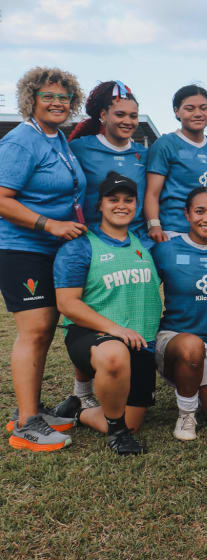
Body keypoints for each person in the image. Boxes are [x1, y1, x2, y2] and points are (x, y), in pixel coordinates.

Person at [0, 67, 87, 451]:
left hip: (52, 249)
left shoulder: (57, 137)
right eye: (48, 96)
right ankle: (26, 425)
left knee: (46, 330)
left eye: (63, 98)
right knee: (34, 332)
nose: (57, 103)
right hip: (23, 248)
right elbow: (2, 198)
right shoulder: (21, 141)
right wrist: (47, 224)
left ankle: (31, 411)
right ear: (31, 100)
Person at [54, 172, 161, 455]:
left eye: (128, 200)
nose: (121, 205)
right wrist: (115, 329)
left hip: (139, 342)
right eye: (113, 199)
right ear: (100, 204)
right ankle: (117, 432)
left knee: (134, 421)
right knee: (114, 354)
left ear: (137, 205)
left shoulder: (145, 244)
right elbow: (67, 303)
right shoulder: (80, 244)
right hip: (93, 336)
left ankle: (78, 410)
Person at [151, 187, 207, 441]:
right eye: (199, 211)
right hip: (176, 341)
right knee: (192, 346)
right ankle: (186, 414)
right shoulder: (165, 249)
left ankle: (202, 385)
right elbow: (144, 292)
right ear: (187, 215)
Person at [144, 85, 207, 242]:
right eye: (190, 109)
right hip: (174, 231)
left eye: (203, 108)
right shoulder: (165, 144)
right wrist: (154, 226)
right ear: (177, 111)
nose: (198, 114)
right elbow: (152, 193)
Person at [69, 80, 149, 238]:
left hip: (136, 240)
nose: (127, 121)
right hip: (92, 239)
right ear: (103, 115)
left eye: (133, 116)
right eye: (120, 114)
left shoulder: (144, 154)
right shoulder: (79, 148)